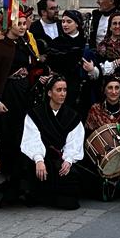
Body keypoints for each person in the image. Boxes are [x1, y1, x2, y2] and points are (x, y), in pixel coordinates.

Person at [0, 12, 39, 208]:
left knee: (21, 134)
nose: (23, 27)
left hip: (23, 93)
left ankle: (20, 177)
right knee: (6, 134)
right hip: (7, 94)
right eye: (19, 23)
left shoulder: (24, 43)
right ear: (8, 25)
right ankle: (4, 175)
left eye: (25, 23)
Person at [20, 75, 85, 210]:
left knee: (72, 181)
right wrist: (38, 160)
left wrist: (68, 160)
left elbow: (74, 141)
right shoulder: (35, 113)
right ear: (49, 93)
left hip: (60, 158)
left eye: (65, 90)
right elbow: (32, 139)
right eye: (59, 90)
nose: (62, 94)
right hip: (41, 158)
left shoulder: (72, 116)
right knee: (29, 170)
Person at [82, 76, 120, 200]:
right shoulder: (95, 109)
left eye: (117, 88)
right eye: (110, 88)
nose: (113, 91)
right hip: (101, 154)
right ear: (104, 90)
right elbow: (89, 135)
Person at [45, 9, 97, 112]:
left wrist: (92, 69)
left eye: (69, 22)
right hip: (62, 89)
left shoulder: (87, 43)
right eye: (63, 21)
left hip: (83, 91)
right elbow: (50, 65)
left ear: (77, 24)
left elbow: (96, 69)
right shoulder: (56, 43)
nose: (65, 25)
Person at [94, 10, 120, 84]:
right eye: (114, 23)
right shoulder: (103, 45)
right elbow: (99, 69)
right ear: (110, 27)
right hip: (108, 84)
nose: (117, 26)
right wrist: (118, 62)